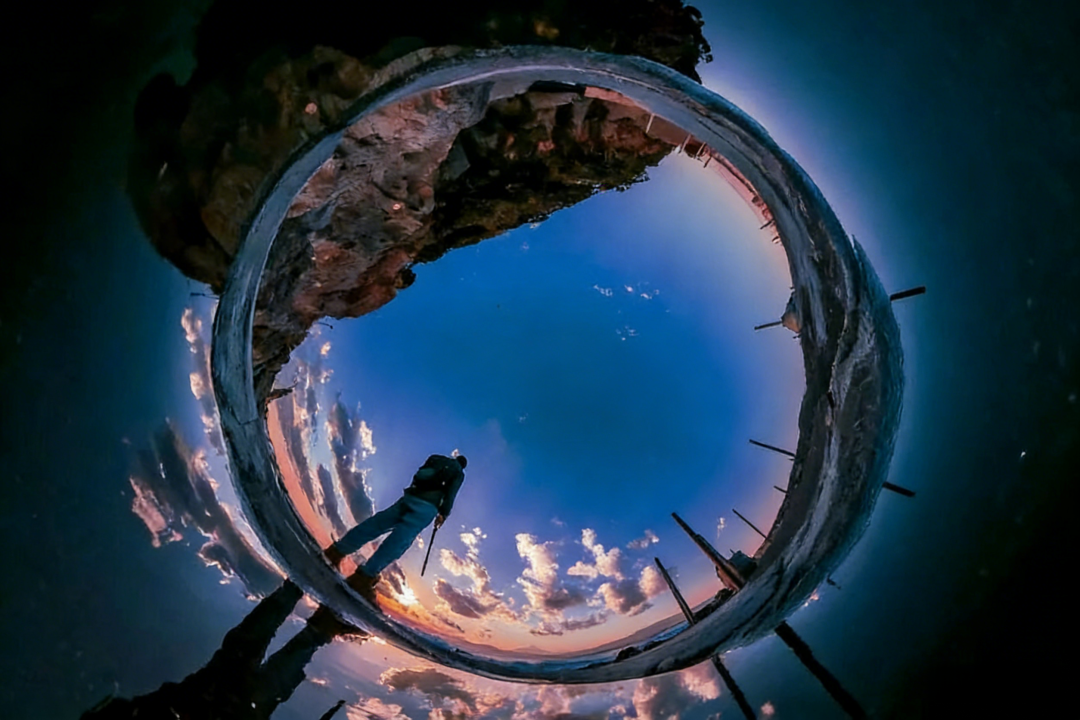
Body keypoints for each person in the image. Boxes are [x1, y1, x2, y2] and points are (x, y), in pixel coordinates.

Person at [323, 454, 467, 603]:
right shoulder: (458, 472)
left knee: (377, 524)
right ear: (462, 465)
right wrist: (443, 514)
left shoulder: (436, 458)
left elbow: (418, 476)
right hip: (427, 507)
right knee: (398, 541)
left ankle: (336, 551)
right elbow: (451, 493)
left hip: (410, 497)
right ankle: (363, 577)